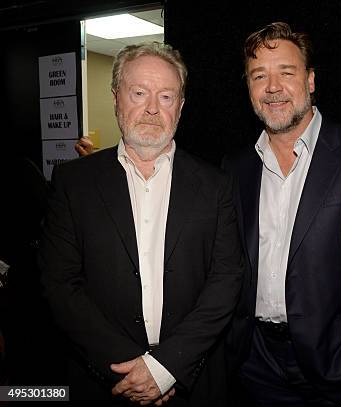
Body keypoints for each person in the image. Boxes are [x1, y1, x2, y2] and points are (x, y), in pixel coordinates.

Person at [39, 42, 244, 405]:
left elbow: (225, 281)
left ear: (180, 107)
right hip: (105, 382)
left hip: (191, 382)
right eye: (139, 93)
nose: (152, 108)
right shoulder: (74, 183)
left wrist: (165, 368)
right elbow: (60, 285)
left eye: (166, 96)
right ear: (116, 97)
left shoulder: (216, 184)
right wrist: (133, 370)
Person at [222, 22, 341, 406]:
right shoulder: (235, 167)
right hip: (255, 365)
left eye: (287, 72)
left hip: (337, 367)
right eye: (259, 75)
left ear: (311, 81)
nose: (273, 87)